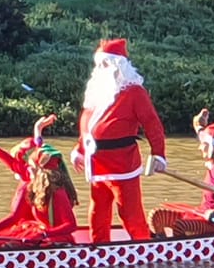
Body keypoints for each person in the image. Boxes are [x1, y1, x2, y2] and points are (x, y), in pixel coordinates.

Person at [71, 37, 168, 244]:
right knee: (98, 211)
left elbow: (152, 123)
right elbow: (87, 124)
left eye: (105, 64)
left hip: (123, 164)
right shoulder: (97, 93)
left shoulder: (134, 92)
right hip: (98, 164)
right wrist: (80, 150)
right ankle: (98, 247)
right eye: (99, 64)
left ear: (118, 66)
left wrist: (158, 153)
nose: (101, 68)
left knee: (129, 212)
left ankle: (142, 246)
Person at [150, 110, 214, 237]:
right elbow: (199, 128)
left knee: (180, 226)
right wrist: (200, 122)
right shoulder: (212, 162)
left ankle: (181, 252)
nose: (199, 147)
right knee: (156, 215)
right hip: (202, 213)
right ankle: (161, 244)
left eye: (203, 145)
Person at [0, 116, 78, 245]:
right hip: (39, 232)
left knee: (12, 243)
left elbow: (71, 225)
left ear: (40, 170)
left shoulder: (57, 192)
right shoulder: (33, 180)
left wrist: (45, 234)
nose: (27, 170)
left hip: (56, 239)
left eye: (30, 167)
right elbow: (16, 217)